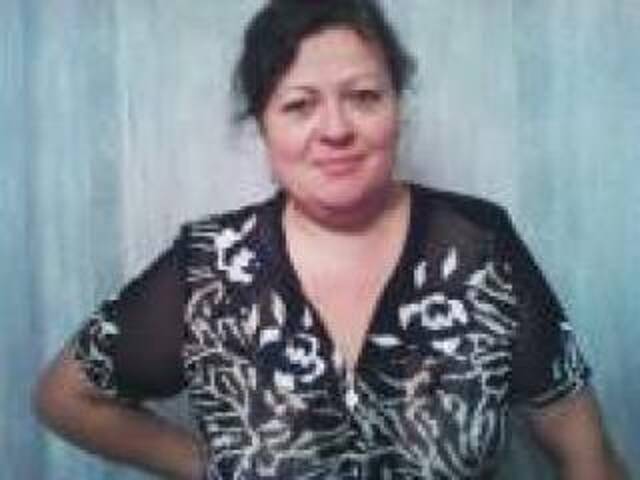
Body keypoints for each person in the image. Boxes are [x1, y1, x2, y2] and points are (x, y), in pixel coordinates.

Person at [34, 0, 626, 479]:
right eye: (299, 105)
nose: (336, 129)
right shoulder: (209, 267)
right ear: (263, 126)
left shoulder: (480, 246)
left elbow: (586, 450)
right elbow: (64, 398)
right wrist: (204, 465)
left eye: (364, 97)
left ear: (398, 107)